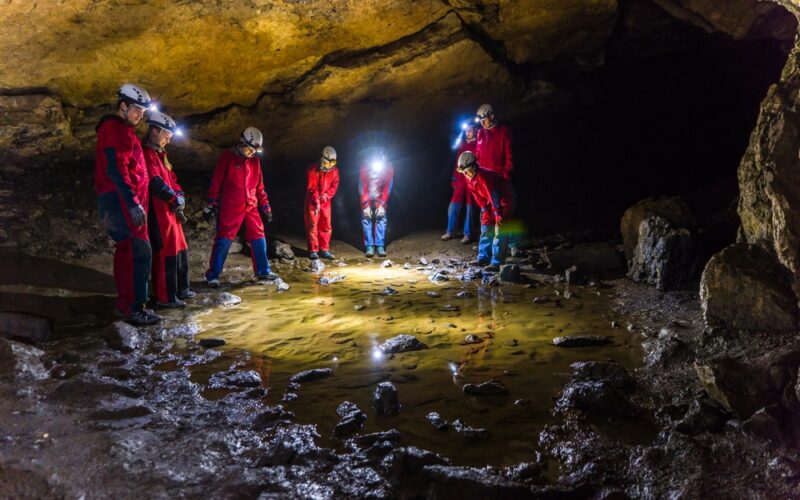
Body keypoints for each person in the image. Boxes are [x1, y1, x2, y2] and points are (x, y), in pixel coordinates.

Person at [94, 83, 161, 325]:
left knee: (128, 253)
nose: (140, 116)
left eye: (143, 112)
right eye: (136, 110)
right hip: (120, 202)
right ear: (123, 106)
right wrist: (133, 203)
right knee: (138, 254)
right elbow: (116, 169)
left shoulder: (124, 130)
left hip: (124, 201)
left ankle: (126, 305)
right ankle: (134, 308)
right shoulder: (114, 128)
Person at [203, 127, 277, 287]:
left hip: (251, 205)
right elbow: (216, 183)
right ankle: (213, 275)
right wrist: (210, 204)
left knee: (258, 236)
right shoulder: (227, 158)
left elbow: (260, 188)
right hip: (231, 206)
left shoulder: (255, 161)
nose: (252, 153)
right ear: (241, 143)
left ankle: (263, 271)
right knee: (224, 238)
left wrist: (266, 207)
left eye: (255, 150)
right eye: (250, 149)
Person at [142, 111, 195, 308]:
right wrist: (174, 198)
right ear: (154, 131)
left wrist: (180, 196)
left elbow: (172, 180)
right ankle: (166, 297)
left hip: (171, 211)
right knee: (165, 251)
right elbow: (154, 182)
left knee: (180, 247)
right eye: (166, 135)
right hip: (159, 211)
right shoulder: (147, 154)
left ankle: (182, 288)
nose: (168, 140)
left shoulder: (161, 155)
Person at [456, 151, 514, 272]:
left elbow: (493, 194)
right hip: (490, 200)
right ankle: (483, 257)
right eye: (464, 172)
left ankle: (497, 262)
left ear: (473, 166)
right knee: (486, 226)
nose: (466, 174)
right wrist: (484, 208)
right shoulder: (469, 177)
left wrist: (497, 213)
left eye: (467, 171)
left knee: (500, 229)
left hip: (505, 199)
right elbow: (477, 195)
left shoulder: (483, 177)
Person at [474, 103, 519, 256]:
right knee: (487, 213)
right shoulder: (480, 133)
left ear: (492, 116)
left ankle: (512, 245)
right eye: (480, 120)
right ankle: (486, 251)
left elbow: (509, 155)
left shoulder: (503, 132)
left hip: (499, 178)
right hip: (485, 179)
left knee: (505, 212)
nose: (482, 123)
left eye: (484, 119)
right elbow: (478, 155)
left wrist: (506, 173)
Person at [442, 122, 478, 243]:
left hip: (472, 178)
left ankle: (468, 234)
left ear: (475, 131)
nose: (468, 132)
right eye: (466, 131)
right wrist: (454, 177)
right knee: (453, 205)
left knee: (470, 206)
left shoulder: (478, 144)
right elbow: (457, 162)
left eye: (470, 130)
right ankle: (450, 231)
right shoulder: (462, 145)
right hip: (460, 179)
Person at [305, 146, 340, 260]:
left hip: (325, 201)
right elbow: (312, 186)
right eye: (327, 162)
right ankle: (313, 250)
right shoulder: (313, 169)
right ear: (322, 159)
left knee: (326, 225)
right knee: (312, 225)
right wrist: (316, 199)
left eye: (332, 163)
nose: (329, 165)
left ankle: (324, 249)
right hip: (312, 201)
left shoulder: (334, 172)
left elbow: (334, 186)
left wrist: (326, 196)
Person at [358, 152, 394, 257]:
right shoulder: (364, 167)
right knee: (366, 218)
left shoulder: (388, 167)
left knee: (381, 218)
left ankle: (379, 245)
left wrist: (382, 204)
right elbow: (362, 187)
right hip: (367, 196)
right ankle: (369, 246)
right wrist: (365, 205)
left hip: (380, 196)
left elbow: (388, 187)